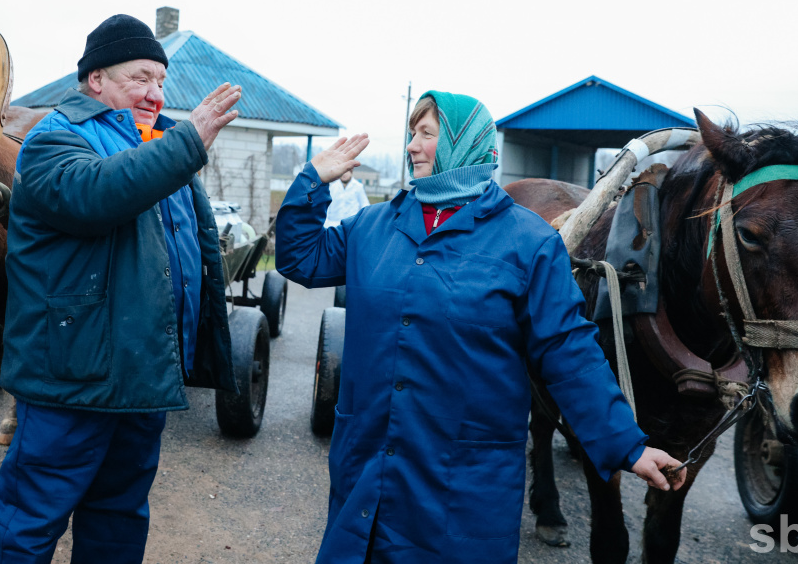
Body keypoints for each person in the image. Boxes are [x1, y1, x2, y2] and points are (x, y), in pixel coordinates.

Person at [274, 90, 685, 564]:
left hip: (460, 485)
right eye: (412, 134)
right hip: (368, 469)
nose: (412, 146)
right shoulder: (372, 228)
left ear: (464, 145)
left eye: (426, 134)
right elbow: (299, 256)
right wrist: (312, 180)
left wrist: (627, 446)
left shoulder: (526, 242)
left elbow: (568, 351)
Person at [0, 14, 241, 563]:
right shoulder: (57, 137)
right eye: (140, 77)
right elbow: (97, 194)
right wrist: (189, 139)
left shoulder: (161, 143)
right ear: (96, 79)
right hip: (72, 377)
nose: (155, 93)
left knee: (117, 523)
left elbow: (196, 253)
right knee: (29, 522)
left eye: (161, 81)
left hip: (141, 375)